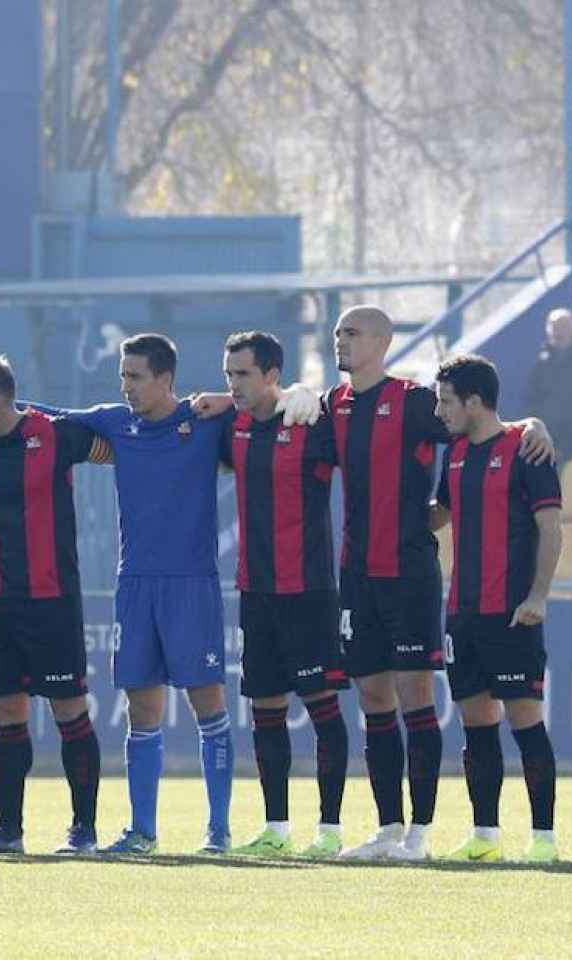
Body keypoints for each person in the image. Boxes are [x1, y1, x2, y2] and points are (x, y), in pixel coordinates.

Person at [18, 334, 319, 856]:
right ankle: (142, 831)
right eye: (122, 376)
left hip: (191, 584)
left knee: (208, 704)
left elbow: (267, 403)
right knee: (141, 707)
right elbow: (48, 414)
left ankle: (218, 830)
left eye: (135, 377)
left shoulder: (205, 420)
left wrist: (265, 395)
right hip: (134, 584)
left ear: (164, 379)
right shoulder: (114, 421)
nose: (126, 386)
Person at [327, 305, 553, 861]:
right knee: (373, 698)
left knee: (416, 698)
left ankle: (421, 834)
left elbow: (477, 420)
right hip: (357, 575)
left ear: (382, 340)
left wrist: (531, 423)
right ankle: (388, 829)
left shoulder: (414, 401)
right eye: (336, 333)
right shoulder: (333, 405)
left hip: (410, 577)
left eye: (351, 332)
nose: (340, 341)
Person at [0, 355, 106, 856]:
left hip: (52, 600)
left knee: (69, 711)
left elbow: (127, 446)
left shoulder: (57, 436)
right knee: (5, 715)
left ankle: (84, 831)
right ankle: (7, 831)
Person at [216, 332, 351, 859]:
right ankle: (276, 827)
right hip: (257, 591)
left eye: (243, 374)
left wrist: (311, 393)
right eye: (229, 374)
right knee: (266, 710)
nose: (234, 384)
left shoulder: (313, 425)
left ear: (272, 375)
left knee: (322, 709)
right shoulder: (234, 426)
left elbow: (361, 422)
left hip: (309, 591)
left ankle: (331, 828)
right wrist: (222, 398)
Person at [430, 354, 564, 864]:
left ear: (474, 402)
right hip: (462, 612)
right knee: (476, 725)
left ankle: (544, 838)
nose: (441, 411)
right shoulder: (456, 452)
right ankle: (485, 835)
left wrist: (538, 596)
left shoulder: (526, 449)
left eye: (447, 401)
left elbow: (551, 528)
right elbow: (440, 514)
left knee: (525, 721)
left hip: (510, 611)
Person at [523, 309, 572, 459]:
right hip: (546, 433)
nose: (559, 332)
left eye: (564, 326)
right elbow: (531, 400)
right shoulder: (538, 365)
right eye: (555, 327)